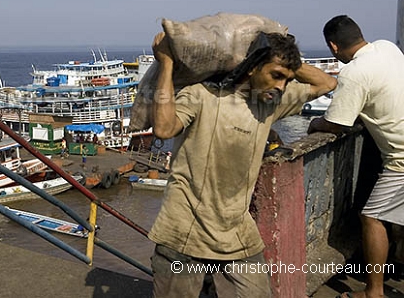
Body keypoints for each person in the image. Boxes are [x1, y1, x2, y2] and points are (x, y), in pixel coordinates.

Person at [149, 31, 337, 297]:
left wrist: (285, 58)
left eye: (288, 79)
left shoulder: (269, 105)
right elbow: (165, 128)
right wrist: (167, 62)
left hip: (236, 231)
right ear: (252, 68)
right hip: (185, 231)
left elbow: (326, 83)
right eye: (276, 75)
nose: (282, 87)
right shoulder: (202, 96)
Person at [308, 15, 404, 298]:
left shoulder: (354, 74)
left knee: (372, 217)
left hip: (400, 160)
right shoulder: (388, 47)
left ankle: (373, 291)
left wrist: (316, 124)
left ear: (333, 47)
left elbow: (338, 123)